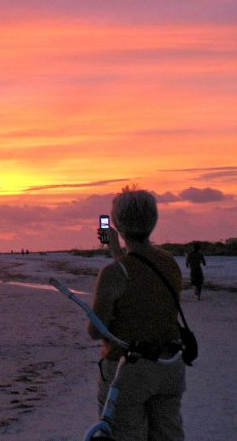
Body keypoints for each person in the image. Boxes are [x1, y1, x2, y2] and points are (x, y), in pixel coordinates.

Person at [88, 187, 185, 441]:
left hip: (128, 370)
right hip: (170, 364)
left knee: (124, 434)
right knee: (168, 434)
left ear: (117, 225)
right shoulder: (169, 262)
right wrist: (116, 251)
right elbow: (141, 273)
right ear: (154, 221)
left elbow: (95, 330)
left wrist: (115, 253)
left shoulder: (113, 273)